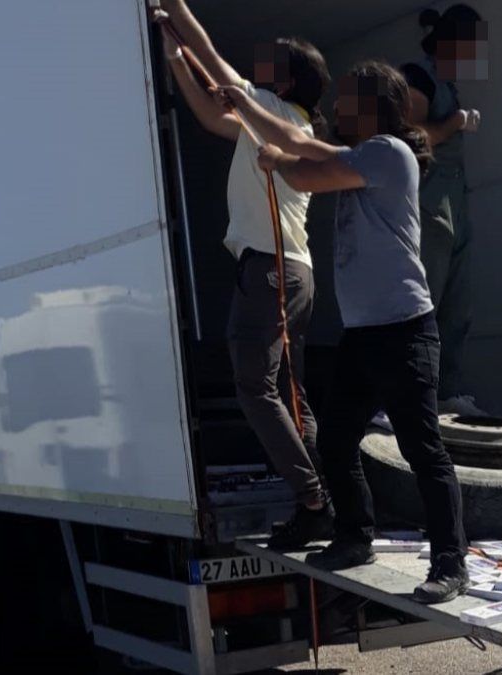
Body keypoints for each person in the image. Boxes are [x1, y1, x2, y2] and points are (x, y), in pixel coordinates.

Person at [219, 61, 470, 604]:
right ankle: (355, 537)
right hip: (363, 334)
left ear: (375, 105)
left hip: (404, 329)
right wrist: (248, 110)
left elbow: (303, 170)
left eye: (348, 97)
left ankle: (451, 563)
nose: (336, 106)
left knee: (422, 450)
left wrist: (272, 155)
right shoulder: (360, 153)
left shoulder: (388, 152)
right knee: (335, 441)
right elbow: (297, 143)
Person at [155, 0, 333, 548]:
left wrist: (174, 9)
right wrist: (175, 59)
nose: (258, 67)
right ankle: (323, 500)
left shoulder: (273, 111)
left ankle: (315, 499)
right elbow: (212, 119)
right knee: (287, 391)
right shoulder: (279, 123)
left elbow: (210, 53)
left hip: (270, 271)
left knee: (255, 387)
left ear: (288, 81)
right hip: (292, 272)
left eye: (271, 63)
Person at [399, 5, 488, 417]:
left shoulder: (446, 82)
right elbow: (408, 137)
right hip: (429, 202)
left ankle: (445, 392)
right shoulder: (418, 77)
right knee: (423, 305)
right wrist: (454, 123)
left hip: (454, 206)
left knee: (457, 309)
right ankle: (405, 396)